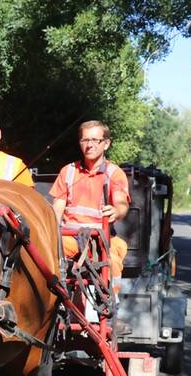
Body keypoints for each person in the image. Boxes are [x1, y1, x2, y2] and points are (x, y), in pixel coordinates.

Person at [49, 120, 130, 293]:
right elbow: (57, 210)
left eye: (95, 140)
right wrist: (50, 233)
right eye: (85, 140)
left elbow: (121, 203)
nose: (89, 145)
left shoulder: (114, 174)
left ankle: (108, 306)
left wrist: (116, 211)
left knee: (113, 262)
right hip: (69, 237)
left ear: (106, 143)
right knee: (45, 253)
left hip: (100, 239)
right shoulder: (68, 171)